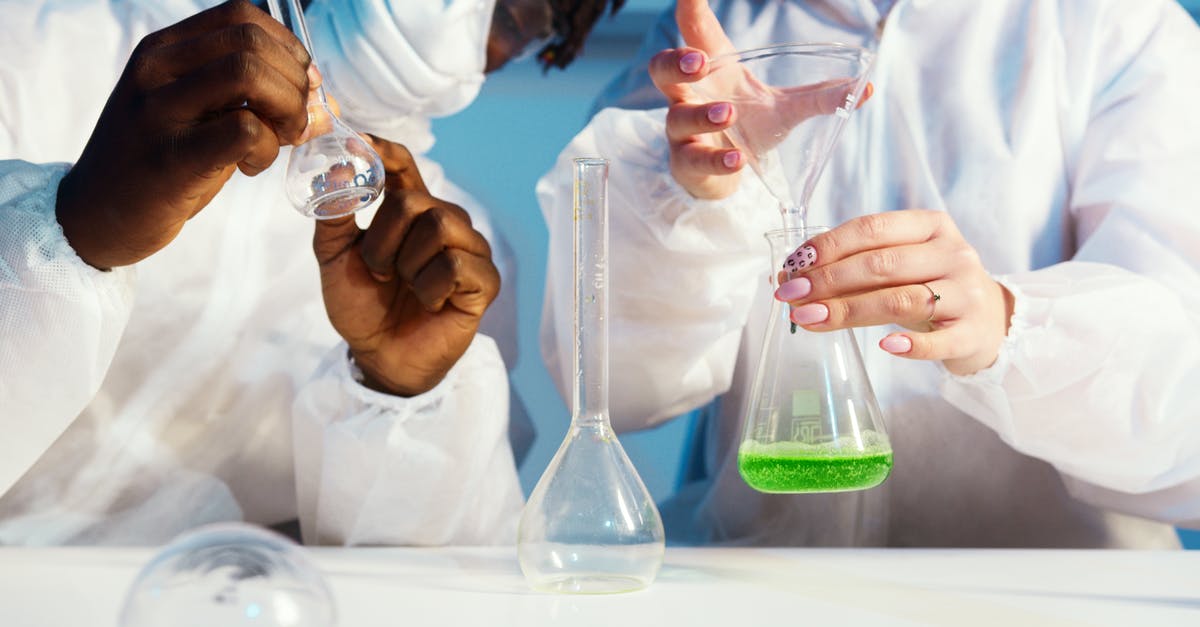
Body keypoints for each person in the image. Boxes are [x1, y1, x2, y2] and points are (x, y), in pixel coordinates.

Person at [537, 0, 1200, 547]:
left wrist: (1006, 326)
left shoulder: (1116, 28)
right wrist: (690, 200)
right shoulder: (716, 34)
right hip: (770, 586)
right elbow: (613, 385)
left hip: (1050, 592)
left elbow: (1183, 401)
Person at [0, 0, 619, 545]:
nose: (452, 13)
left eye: (516, 16)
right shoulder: (31, 53)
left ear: (544, 50)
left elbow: (438, 587)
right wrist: (72, 225)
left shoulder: (439, 256)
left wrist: (397, 394)